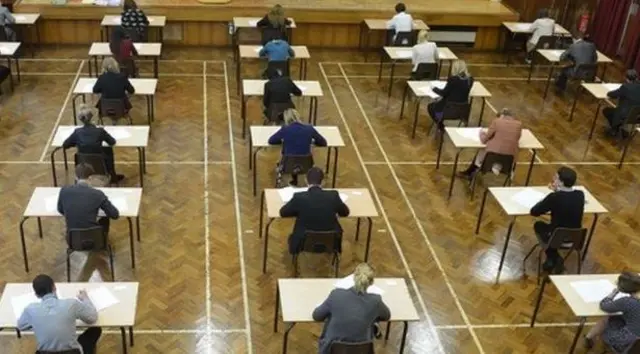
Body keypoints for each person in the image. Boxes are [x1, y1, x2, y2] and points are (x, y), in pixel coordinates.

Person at [312, 263, 391, 354]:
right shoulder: (375, 300)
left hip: (332, 350)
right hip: (362, 350)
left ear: (354, 278)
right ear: (371, 282)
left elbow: (317, 316)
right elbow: (386, 315)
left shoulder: (336, 295)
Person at [18, 274, 103, 354]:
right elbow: (92, 318)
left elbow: (20, 326)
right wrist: (85, 298)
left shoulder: (30, 310)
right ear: (54, 287)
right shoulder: (71, 304)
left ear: (36, 295)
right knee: (96, 330)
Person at [280, 167, 350, 254]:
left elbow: (283, 213)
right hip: (332, 241)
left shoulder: (299, 197)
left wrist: (297, 211)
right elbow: (345, 213)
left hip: (303, 241)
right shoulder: (333, 196)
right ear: (323, 182)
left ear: (306, 180)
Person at [530, 166, 584, 273]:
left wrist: (552, 195)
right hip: (575, 238)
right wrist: (557, 191)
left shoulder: (554, 197)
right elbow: (567, 199)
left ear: (561, 182)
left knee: (538, 225)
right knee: (558, 229)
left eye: (556, 178)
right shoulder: (580, 195)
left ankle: (554, 257)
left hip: (556, 236)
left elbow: (534, 212)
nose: (554, 179)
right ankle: (553, 259)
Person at [63, 104, 124, 183]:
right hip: (100, 166)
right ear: (91, 117)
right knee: (108, 150)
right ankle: (112, 175)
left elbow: (65, 145)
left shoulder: (77, 132)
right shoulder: (100, 131)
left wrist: (77, 143)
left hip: (84, 166)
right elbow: (112, 142)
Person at [457, 108, 522, 179]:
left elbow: (484, 140)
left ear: (502, 116)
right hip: (508, 162)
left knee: (481, 151)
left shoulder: (497, 122)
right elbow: (517, 138)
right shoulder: (519, 124)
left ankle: (469, 173)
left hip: (491, 159)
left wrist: (481, 133)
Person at [58, 163, 120, 238]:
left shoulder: (64, 191)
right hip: (94, 240)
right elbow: (114, 215)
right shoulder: (98, 194)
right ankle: (103, 240)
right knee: (105, 219)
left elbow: (60, 210)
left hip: (72, 239)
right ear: (91, 178)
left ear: (76, 177)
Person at [584, 271, 640, 351]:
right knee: (617, 317)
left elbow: (604, 305)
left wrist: (614, 293)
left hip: (627, 342)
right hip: (636, 340)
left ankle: (589, 338)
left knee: (606, 318)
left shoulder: (627, 302)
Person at [269, 109, 327, 186]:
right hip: (306, 165)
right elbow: (323, 142)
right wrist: (313, 142)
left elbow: (271, 140)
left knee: (292, 155)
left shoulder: (285, 129)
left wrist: (283, 141)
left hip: (288, 164)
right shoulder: (309, 128)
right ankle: (296, 180)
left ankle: (293, 180)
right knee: (298, 155)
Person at [428, 60, 474, 130]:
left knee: (431, 107)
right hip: (463, 110)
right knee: (440, 103)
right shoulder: (470, 79)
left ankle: (440, 125)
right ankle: (440, 121)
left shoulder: (453, 79)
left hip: (449, 109)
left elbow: (443, 93)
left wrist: (434, 88)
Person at [603, 69, 640, 136]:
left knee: (606, 111)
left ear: (626, 78)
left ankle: (615, 128)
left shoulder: (625, 87)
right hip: (636, 116)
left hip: (624, 115)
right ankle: (621, 129)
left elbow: (611, 94)